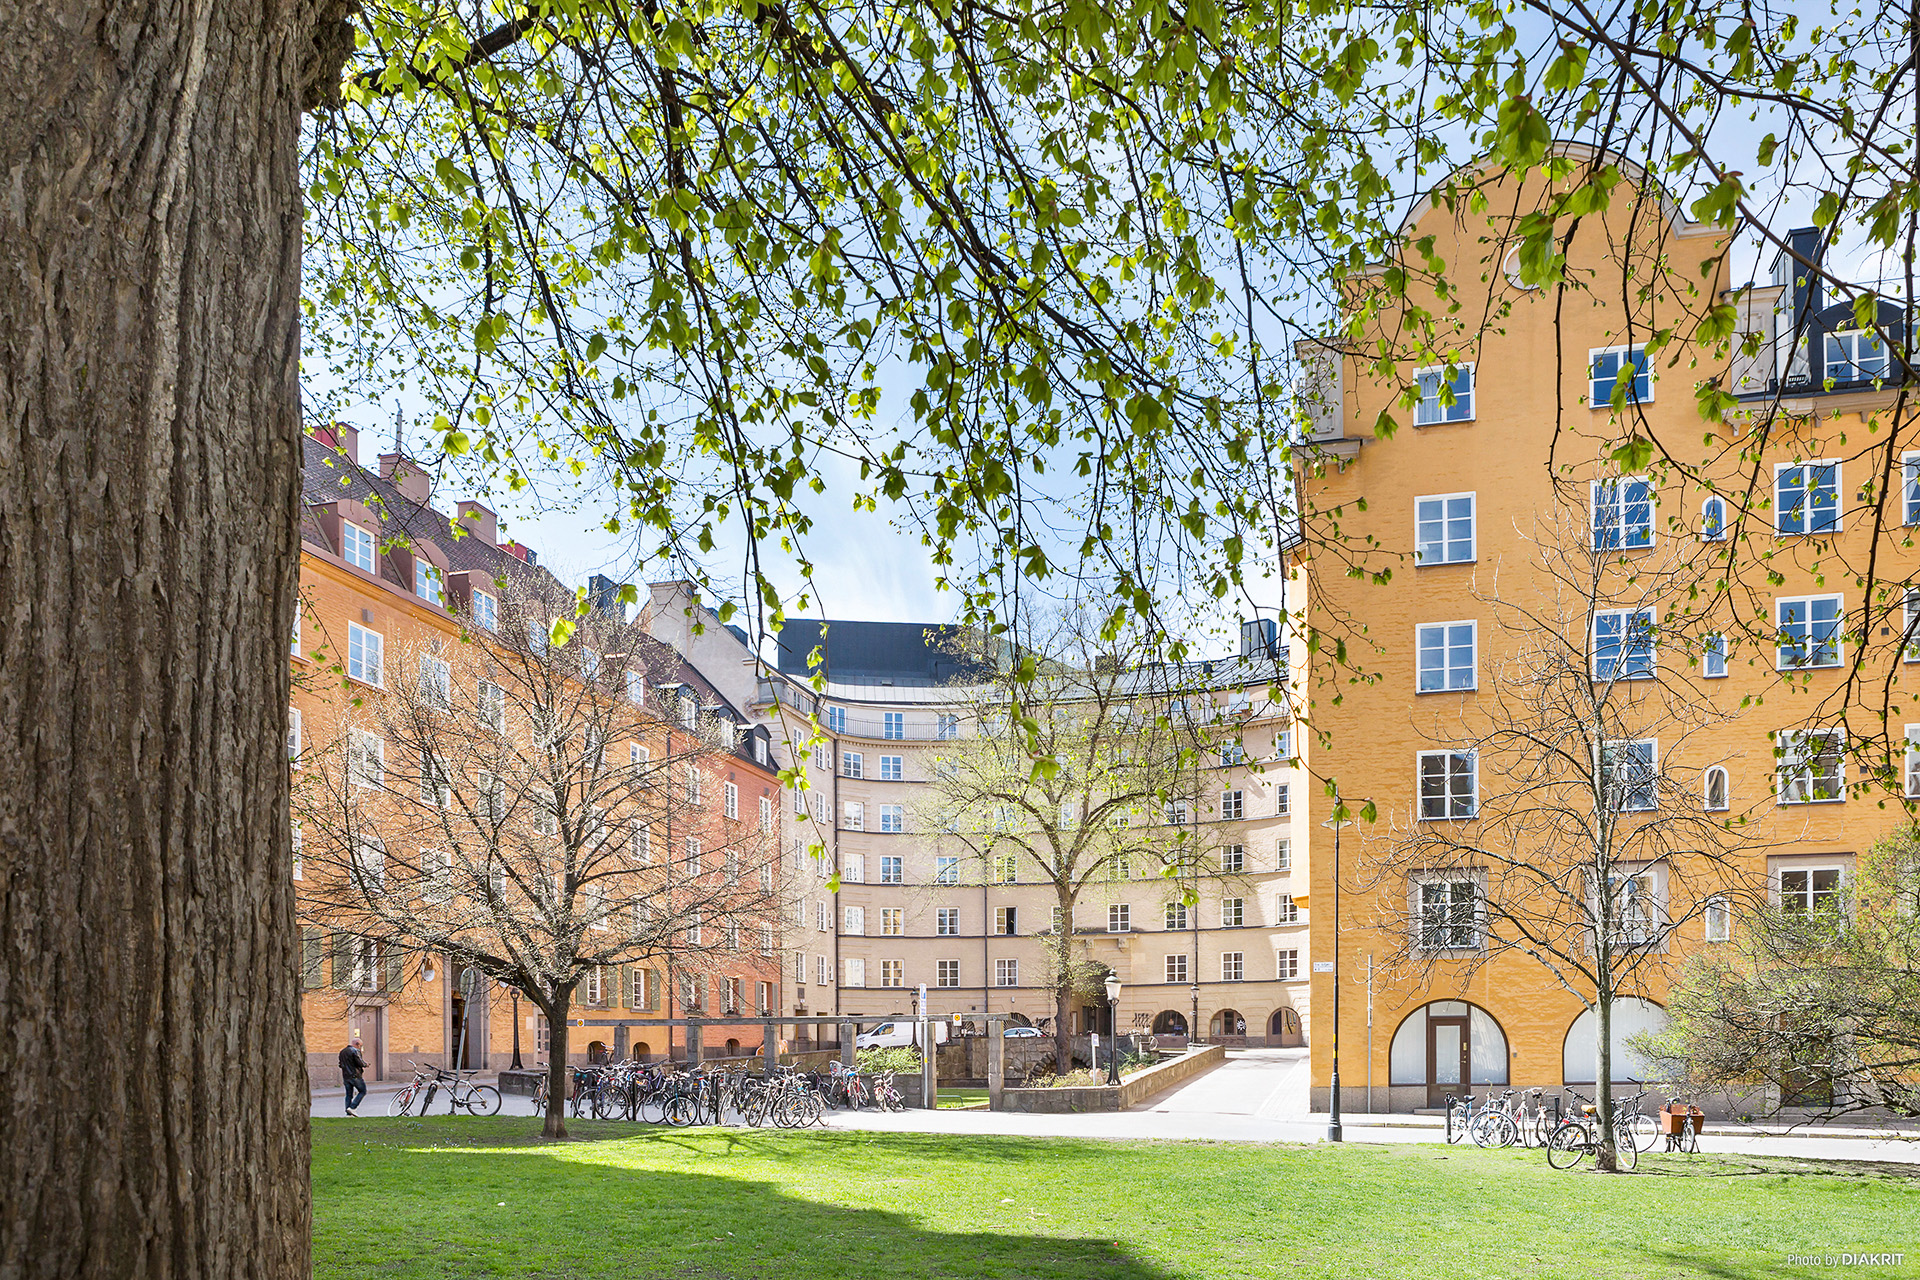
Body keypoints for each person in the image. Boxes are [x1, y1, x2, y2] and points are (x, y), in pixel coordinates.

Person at [339, 1039, 367, 1116]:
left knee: (349, 1095)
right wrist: (365, 1064)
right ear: (357, 1044)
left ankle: (348, 1113)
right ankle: (352, 1107)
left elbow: (340, 1064)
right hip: (355, 1075)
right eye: (360, 1046)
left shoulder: (342, 1051)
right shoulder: (355, 1051)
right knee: (363, 1091)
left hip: (346, 1076)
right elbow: (360, 1062)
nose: (360, 1048)